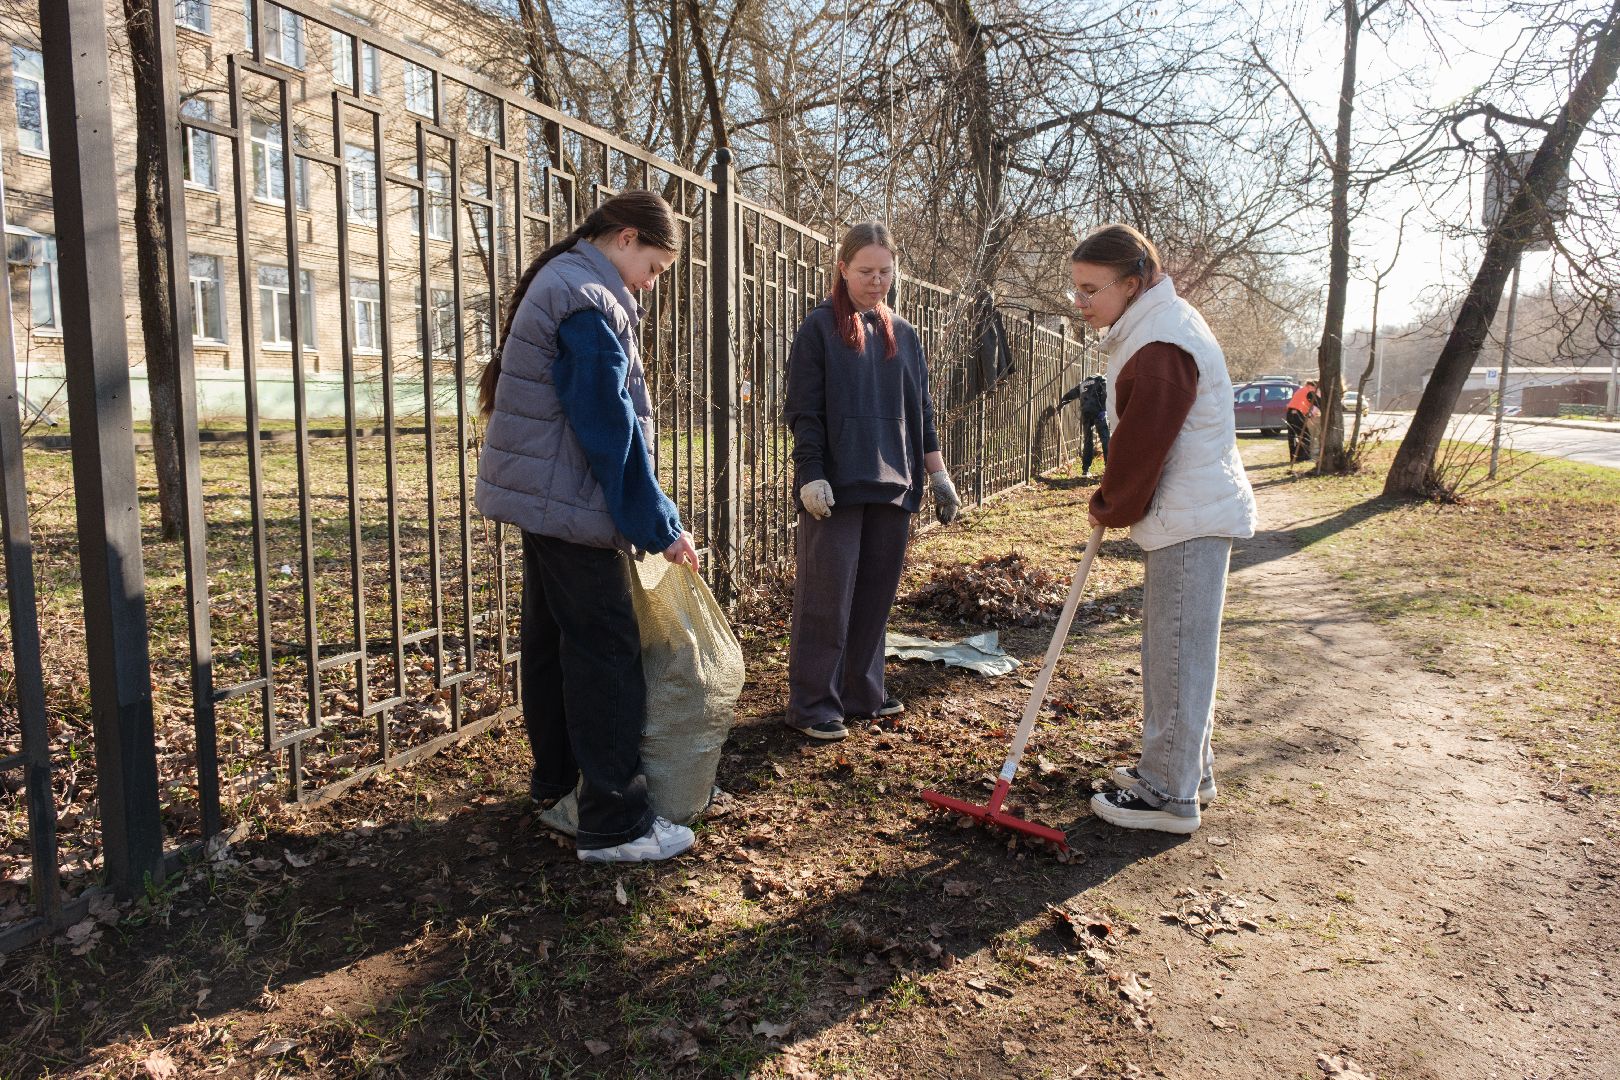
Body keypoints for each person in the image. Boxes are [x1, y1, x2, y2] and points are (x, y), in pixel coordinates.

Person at [475, 191, 700, 863]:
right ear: (626, 237)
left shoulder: (569, 280)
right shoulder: (587, 299)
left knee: (553, 643)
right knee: (607, 654)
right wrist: (660, 524)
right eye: (654, 268)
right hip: (572, 505)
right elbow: (609, 430)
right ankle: (614, 822)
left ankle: (559, 785)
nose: (651, 284)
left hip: (549, 501)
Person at [1069, 224, 1257, 834]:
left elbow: (1142, 444)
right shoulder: (1154, 327)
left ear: (1131, 283)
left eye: (1091, 289)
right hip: (1187, 512)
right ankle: (1188, 771)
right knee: (1176, 649)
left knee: (1176, 652)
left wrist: (1110, 503)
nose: (1080, 301)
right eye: (1076, 288)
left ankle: (1169, 796)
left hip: (1190, 516)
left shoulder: (1161, 342)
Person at [783, 222, 961, 742]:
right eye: (865, 271)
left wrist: (938, 474)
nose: (877, 281)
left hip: (894, 484)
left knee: (875, 598)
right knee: (826, 598)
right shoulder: (818, 329)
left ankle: (862, 691)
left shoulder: (903, 334)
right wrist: (811, 474)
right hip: (835, 488)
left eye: (885, 272)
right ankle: (813, 704)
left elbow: (922, 411)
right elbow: (804, 412)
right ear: (842, 268)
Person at [1060, 373, 1111, 477]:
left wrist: (1063, 402)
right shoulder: (1101, 380)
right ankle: (1109, 468)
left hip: (1086, 413)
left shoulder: (1084, 383)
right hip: (1099, 412)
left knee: (1087, 441)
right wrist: (1104, 409)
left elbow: (1072, 393)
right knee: (1105, 439)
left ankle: (1085, 470)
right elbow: (1106, 393)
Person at [1286, 380, 1320, 463]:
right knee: (1305, 435)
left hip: (1289, 413)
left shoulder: (1301, 390)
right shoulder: (1310, 392)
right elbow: (1319, 404)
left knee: (1292, 436)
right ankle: (1304, 457)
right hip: (1298, 414)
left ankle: (1293, 457)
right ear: (1315, 386)